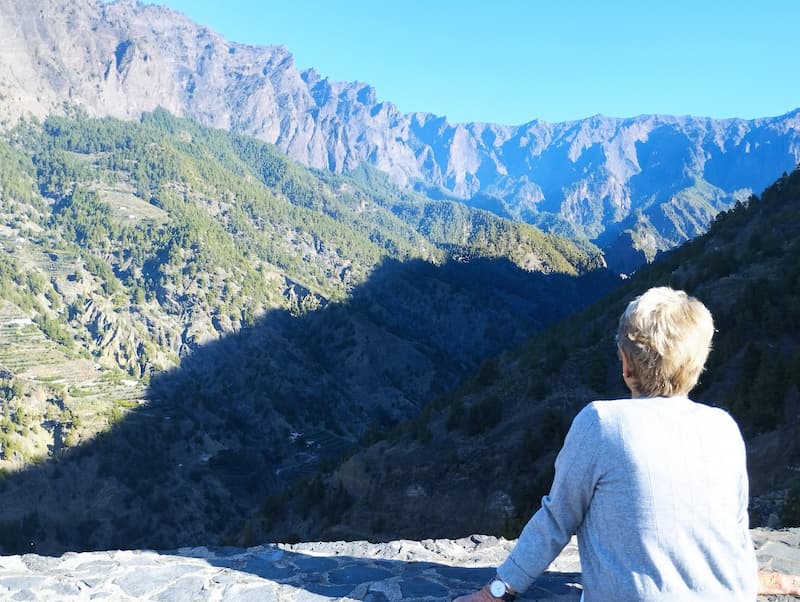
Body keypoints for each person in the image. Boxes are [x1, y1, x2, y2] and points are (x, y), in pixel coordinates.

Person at [454, 286, 799, 601]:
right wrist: (745, 579)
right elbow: (731, 524)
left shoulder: (602, 424)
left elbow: (556, 520)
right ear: (699, 363)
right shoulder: (724, 427)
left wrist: (494, 593)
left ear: (625, 362)